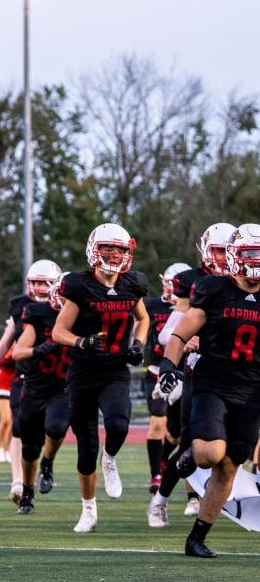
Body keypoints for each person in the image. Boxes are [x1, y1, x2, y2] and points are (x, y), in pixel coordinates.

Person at [157, 223, 260, 558]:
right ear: (234, 255)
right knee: (209, 454)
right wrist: (169, 368)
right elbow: (179, 334)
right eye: (250, 254)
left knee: (230, 466)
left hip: (252, 390)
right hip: (213, 381)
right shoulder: (213, 288)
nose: (256, 261)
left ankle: (196, 538)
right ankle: (189, 455)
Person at [52, 223, 149, 533]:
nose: (113, 254)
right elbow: (59, 331)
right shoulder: (79, 286)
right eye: (108, 248)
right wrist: (81, 342)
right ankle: (89, 509)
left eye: (119, 249)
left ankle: (111, 458)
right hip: (83, 372)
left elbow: (143, 318)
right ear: (94, 250)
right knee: (86, 447)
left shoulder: (132, 284)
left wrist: (138, 344)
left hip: (115, 369)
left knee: (119, 424)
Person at [149, 223, 236, 527]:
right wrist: (189, 339)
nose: (224, 259)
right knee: (190, 446)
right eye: (218, 251)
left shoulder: (247, 283)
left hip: (240, 375)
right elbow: (166, 335)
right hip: (201, 373)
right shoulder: (194, 282)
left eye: (229, 252)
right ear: (204, 250)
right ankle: (160, 499)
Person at [0, 260, 62, 501]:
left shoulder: (65, 306)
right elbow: (5, 341)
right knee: (18, 429)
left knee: (49, 429)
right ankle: (17, 482)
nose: (41, 288)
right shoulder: (21, 306)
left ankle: (43, 464)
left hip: (56, 379)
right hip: (25, 376)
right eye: (36, 282)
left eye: (46, 283)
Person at [12, 272, 71, 514]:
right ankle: (27, 492)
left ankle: (48, 463)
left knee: (56, 427)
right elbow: (18, 353)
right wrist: (38, 350)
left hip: (63, 387)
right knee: (29, 448)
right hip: (35, 388)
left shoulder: (85, 319)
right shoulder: (39, 314)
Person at [142, 262, 190, 494]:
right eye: (170, 283)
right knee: (158, 422)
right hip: (156, 371)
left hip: (183, 374)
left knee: (177, 433)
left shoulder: (196, 308)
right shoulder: (151, 306)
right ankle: (156, 474)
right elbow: (139, 328)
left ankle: (164, 459)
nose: (173, 289)